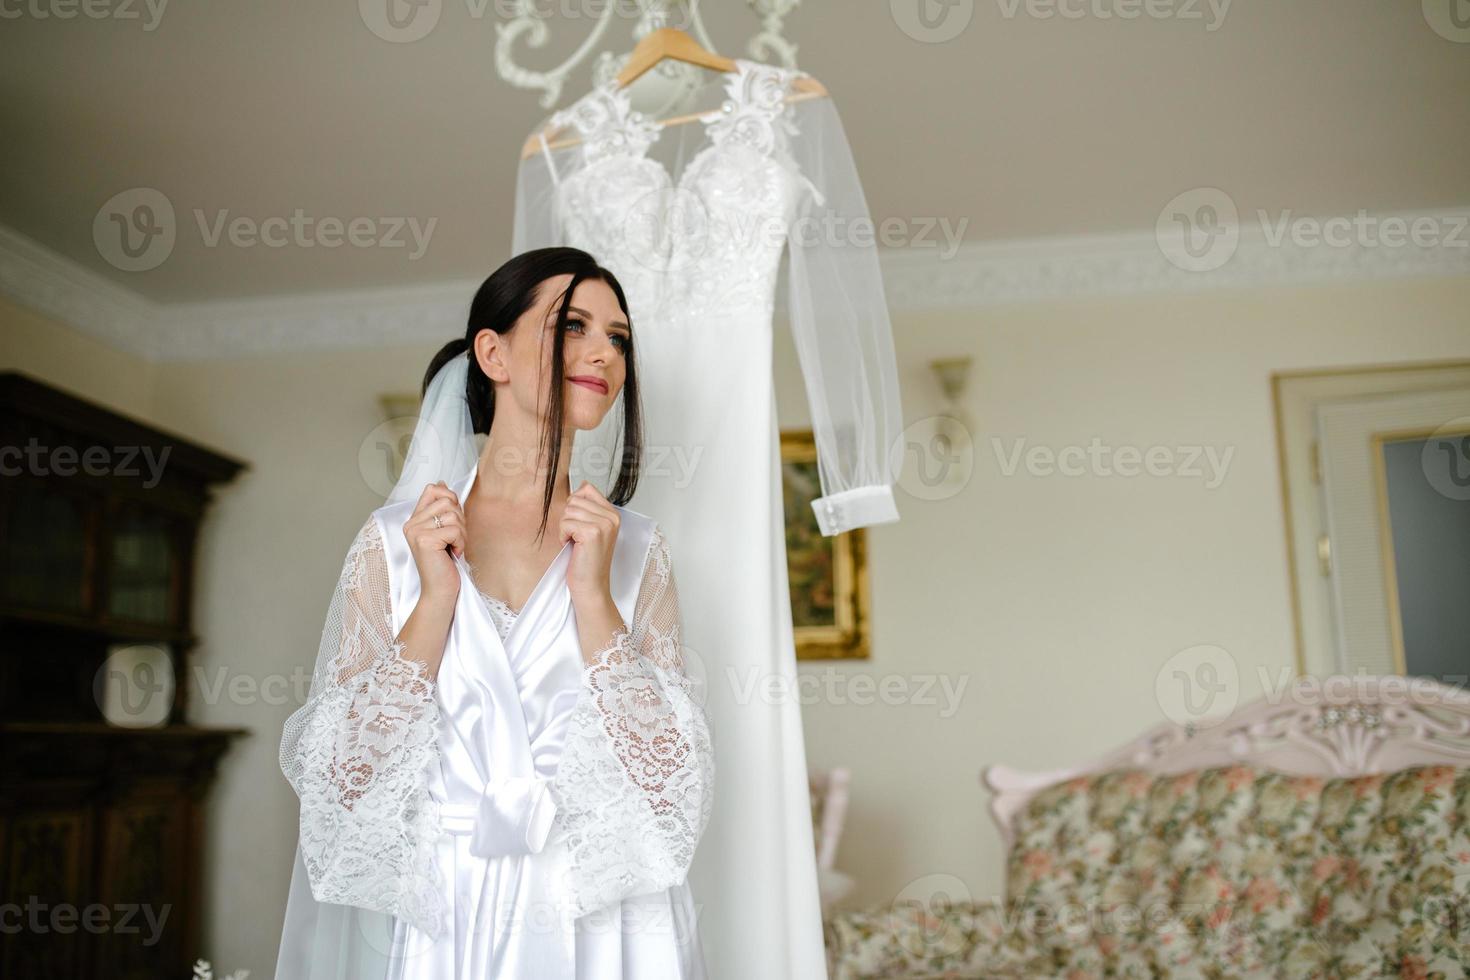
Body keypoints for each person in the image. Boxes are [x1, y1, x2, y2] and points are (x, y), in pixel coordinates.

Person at [275, 246, 715, 979]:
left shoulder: (635, 550)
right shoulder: (392, 544)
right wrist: (435, 603)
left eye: (619, 338)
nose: (603, 354)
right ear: (493, 352)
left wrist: (593, 597)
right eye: (572, 326)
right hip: (448, 909)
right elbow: (343, 778)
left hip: (600, 916)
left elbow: (669, 784)